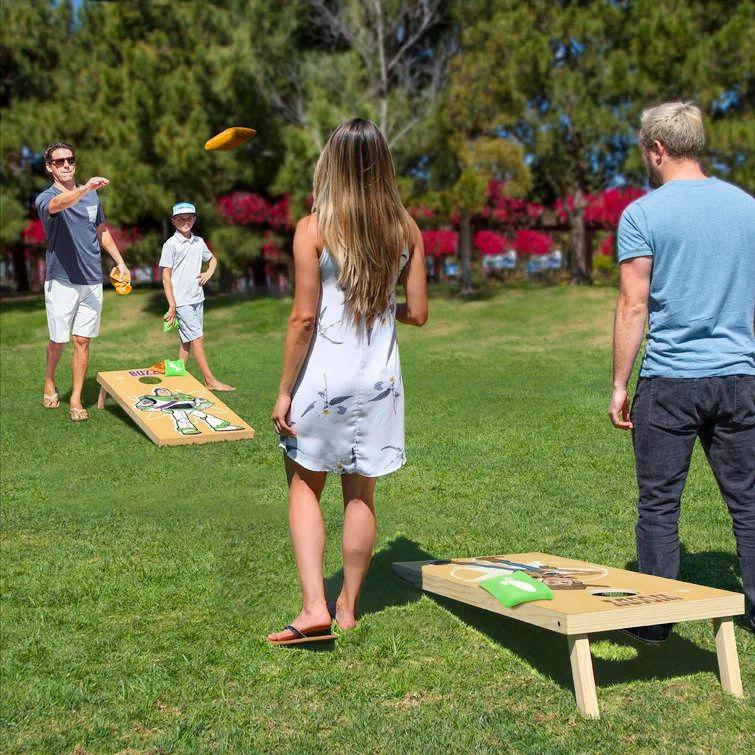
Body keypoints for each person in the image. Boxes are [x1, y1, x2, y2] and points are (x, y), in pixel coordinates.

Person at [268, 118, 428, 644]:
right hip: (380, 381)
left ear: (331, 166)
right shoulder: (405, 230)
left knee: (303, 485)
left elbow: (303, 319)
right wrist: (385, 309)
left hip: (323, 380)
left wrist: (284, 390)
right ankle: (349, 607)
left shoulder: (314, 229)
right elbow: (420, 313)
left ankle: (314, 607)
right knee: (361, 495)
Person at [610, 102, 755, 642]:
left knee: (659, 503)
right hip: (740, 380)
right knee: (748, 502)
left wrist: (621, 384)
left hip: (670, 383)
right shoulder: (748, 208)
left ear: (656, 149)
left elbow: (632, 305)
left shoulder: (643, 214)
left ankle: (654, 624)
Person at [36, 141, 130, 421]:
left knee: (82, 341)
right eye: (59, 161)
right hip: (61, 280)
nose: (66, 165)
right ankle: (50, 379)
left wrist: (120, 260)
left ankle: (76, 398)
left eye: (70, 160)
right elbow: (59, 204)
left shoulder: (92, 198)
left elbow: (99, 228)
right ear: (50, 168)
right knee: (58, 340)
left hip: (91, 279)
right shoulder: (46, 198)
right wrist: (85, 188)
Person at [159, 202, 234, 392]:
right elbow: (166, 277)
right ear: (174, 222)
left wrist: (209, 272)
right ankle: (209, 380)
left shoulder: (199, 242)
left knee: (187, 340)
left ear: (194, 219)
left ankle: (175, 377)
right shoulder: (171, 245)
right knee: (197, 339)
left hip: (197, 299)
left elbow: (213, 260)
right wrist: (172, 305)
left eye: (189, 218)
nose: (185, 222)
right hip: (181, 301)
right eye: (180, 219)